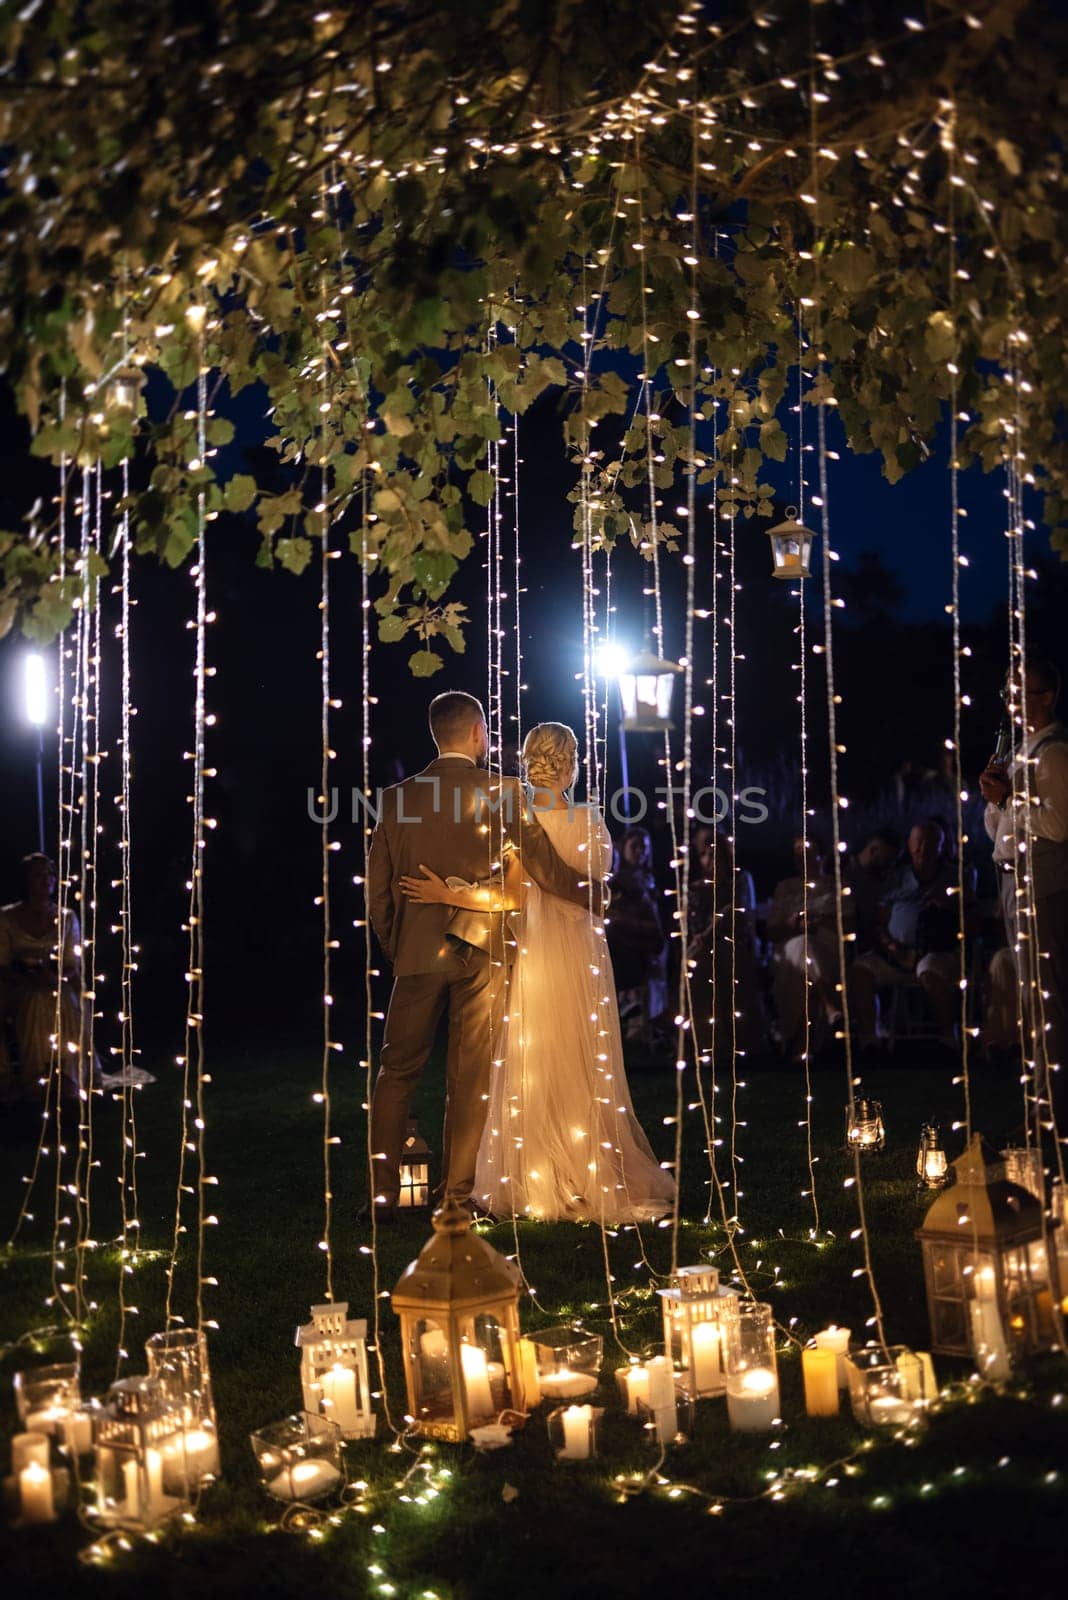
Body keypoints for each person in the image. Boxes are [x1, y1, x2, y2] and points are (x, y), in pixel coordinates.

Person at [402, 721, 675, 1225]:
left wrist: (449, 895)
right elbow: (598, 895)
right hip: (579, 955)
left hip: (529, 954)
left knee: (533, 1054)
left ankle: (537, 1172)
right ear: (570, 764)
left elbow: (510, 897)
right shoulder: (590, 820)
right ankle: (588, 1167)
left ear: (529, 764)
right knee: (581, 1053)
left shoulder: (514, 819)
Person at [366, 692, 602, 1223]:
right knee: (469, 1075)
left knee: (396, 1071)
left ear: (437, 733)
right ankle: (456, 1198)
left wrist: (396, 944)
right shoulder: (503, 791)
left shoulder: (396, 797)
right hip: (484, 949)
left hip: (416, 953)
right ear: (478, 732)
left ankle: (382, 1200)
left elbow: (378, 891)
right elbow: (543, 867)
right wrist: (593, 893)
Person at [979, 655, 1068, 1125]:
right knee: (1029, 994)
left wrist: (1009, 798)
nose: (1012, 701)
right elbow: (1001, 830)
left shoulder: (1053, 751)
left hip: (1045, 884)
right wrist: (995, 802)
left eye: (1021, 692)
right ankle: (1040, 1098)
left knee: (1047, 997)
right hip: (1014, 881)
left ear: (1047, 697)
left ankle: (1052, 1106)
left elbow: (1057, 824)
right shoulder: (1018, 750)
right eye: (1007, 692)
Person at [848, 820, 975, 1055]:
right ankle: (869, 1040)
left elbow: (970, 918)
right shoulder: (896, 878)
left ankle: (948, 1038)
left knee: (929, 972)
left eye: (929, 843)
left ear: (940, 847)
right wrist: (889, 945)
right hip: (895, 952)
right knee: (859, 970)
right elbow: (879, 919)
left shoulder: (955, 876)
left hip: (935, 951)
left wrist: (946, 912)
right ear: (909, 845)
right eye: (917, 842)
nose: (922, 849)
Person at [0, 853, 100, 1099]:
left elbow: (71, 963)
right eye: (38, 875)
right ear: (26, 881)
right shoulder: (7, 917)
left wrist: (52, 976)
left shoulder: (66, 917)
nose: (47, 880)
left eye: (50, 874)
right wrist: (25, 976)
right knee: (35, 1001)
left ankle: (66, 1078)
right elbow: (2, 963)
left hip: (56, 982)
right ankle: (34, 1078)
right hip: (16, 985)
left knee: (63, 999)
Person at [687, 829, 765, 1061]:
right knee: (700, 966)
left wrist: (714, 927)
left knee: (728, 957)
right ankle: (708, 1043)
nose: (712, 862)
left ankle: (740, 1041)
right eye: (706, 855)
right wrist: (707, 933)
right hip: (705, 947)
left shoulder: (740, 882)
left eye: (717, 856)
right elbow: (694, 925)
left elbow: (738, 914)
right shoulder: (696, 889)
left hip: (736, 944)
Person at [766, 833, 845, 1062]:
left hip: (827, 946)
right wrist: (793, 924)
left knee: (804, 954)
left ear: (821, 855)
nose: (803, 859)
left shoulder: (836, 885)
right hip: (790, 946)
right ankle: (828, 1005)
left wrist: (817, 921)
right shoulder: (785, 888)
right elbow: (772, 931)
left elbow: (848, 923)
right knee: (801, 949)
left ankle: (797, 1041)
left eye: (808, 853)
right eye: (798, 855)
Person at [604, 826, 668, 1044]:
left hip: (645, 941)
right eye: (635, 846)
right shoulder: (615, 883)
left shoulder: (647, 881)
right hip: (623, 943)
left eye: (644, 847)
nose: (640, 851)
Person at [843, 828, 900, 954]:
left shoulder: (881, 883)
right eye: (887, 859)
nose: (890, 864)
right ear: (874, 850)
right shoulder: (841, 870)